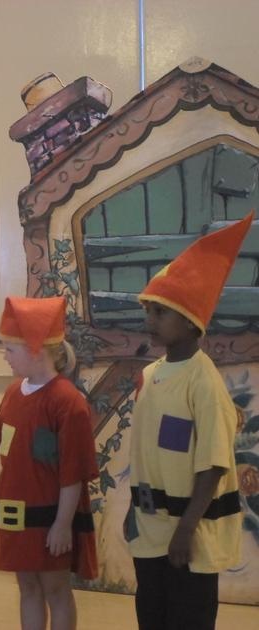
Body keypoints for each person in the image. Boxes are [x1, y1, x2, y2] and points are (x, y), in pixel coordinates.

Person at [127, 212, 251, 630]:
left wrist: (185, 530)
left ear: (190, 320)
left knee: (188, 618)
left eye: (160, 312)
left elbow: (212, 465)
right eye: (148, 311)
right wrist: (136, 512)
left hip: (188, 537)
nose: (150, 320)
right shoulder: (151, 375)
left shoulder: (204, 383)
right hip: (150, 531)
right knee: (152, 616)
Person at [0, 296, 98, 630]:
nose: (5, 357)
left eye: (9, 350)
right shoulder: (14, 393)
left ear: (34, 350)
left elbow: (73, 473)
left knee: (55, 589)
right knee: (27, 587)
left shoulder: (67, 402)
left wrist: (62, 524)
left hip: (50, 517)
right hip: (17, 515)